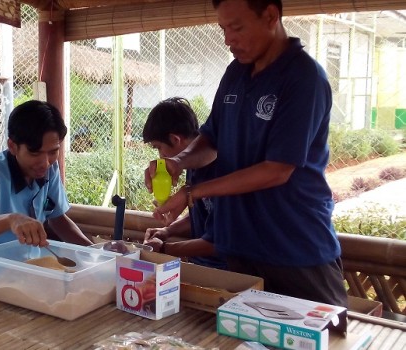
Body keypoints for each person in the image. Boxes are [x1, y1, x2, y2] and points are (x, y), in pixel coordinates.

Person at [145, 0, 348, 306]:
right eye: (223, 28)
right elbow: (210, 138)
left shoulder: (304, 77)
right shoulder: (236, 74)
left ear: (270, 16)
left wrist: (192, 192)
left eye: (236, 27)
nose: (228, 39)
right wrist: (177, 161)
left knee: (321, 337)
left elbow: (277, 169)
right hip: (240, 249)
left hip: (294, 248)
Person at [0, 100, 93, 305]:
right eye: (35, 153)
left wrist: (96, 253)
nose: (45, 162)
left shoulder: (49, 170)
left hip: (31, 271)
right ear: (12, 146)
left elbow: (57, 219)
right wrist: (11, 220)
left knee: (85, 289)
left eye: (53, 151)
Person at [141, 97, 226, 270]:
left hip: (226, 271)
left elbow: (220, 241)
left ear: (175, 139)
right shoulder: (191, 167)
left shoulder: (222, 173)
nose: (160, 156)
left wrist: (164, 249)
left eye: (158, 147)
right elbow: (202, 217)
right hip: (202, 265)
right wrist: (166, 232)